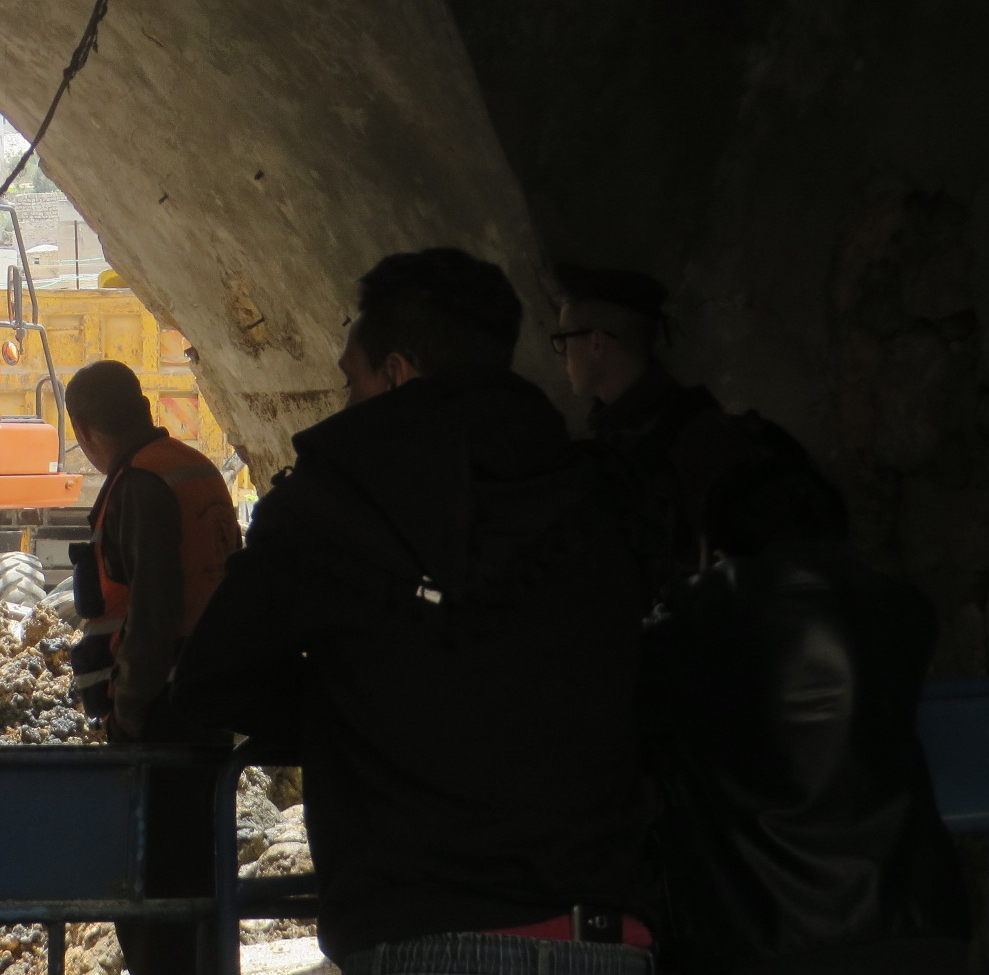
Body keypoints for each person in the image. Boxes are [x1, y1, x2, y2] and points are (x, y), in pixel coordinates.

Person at [174, 249, 655, 974]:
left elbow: (210, 679)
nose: (346, 401)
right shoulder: (603, 494)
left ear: (395, 374)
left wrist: (351, 707)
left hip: (422, 936)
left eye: (351, 379)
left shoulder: (329, 504)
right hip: (610, 937)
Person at [641, 454, 969, 974]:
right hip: (917, 923)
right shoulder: (906, 615)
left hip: (760, 938)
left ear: (719, 552)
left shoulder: (688, 625)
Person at [64, 360, 240, 975]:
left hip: (161, 713)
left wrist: (128, 713)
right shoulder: (194, 468)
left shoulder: (139, 485)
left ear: (85, 430)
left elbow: (153, 612)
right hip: (210, 701)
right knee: (199, 877)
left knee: (154, 884)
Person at [551, 264, 763, 577]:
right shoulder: (634, 431)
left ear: (596, 342)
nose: (562, 354)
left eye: (564, 340)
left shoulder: (687, 440)